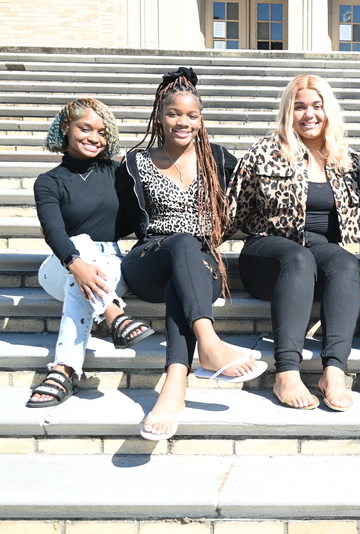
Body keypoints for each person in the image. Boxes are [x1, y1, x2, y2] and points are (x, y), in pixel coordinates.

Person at [119, 68, 266, 440]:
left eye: (192, 115)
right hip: (149, 259)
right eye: (174, 113)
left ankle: (174, 385)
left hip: (200, 265)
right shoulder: (136, 162)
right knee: (181, 242)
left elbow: (249, 200)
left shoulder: (217, 159)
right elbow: (119, 218)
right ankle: (209, 344)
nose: (182, 122)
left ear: (201, 120)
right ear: (160, 115)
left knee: (183, 274)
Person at [227, 74, 360, 411]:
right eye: (300, 106)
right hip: (267, 251)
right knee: (298, 258)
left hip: (318, 254)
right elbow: (231, 212)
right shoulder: (264, 152)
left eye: (317, 106)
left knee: (345, 262)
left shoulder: (347, 160)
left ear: (328, 110)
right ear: (288, 112)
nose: (309, 114)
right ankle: (286, 372)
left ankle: (334, 372)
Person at [28, 98, 154, 408]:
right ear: (66, 128)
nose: (94, 138)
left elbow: (136, 219)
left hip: (109, 264)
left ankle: (63, 370)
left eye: (102, 132)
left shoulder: (117, 173)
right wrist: (75, 262)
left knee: (85, 272)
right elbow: (54, 231)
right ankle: (114, 315)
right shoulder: (48, 182)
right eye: (85, 129)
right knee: (80, 245)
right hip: (60, 267)